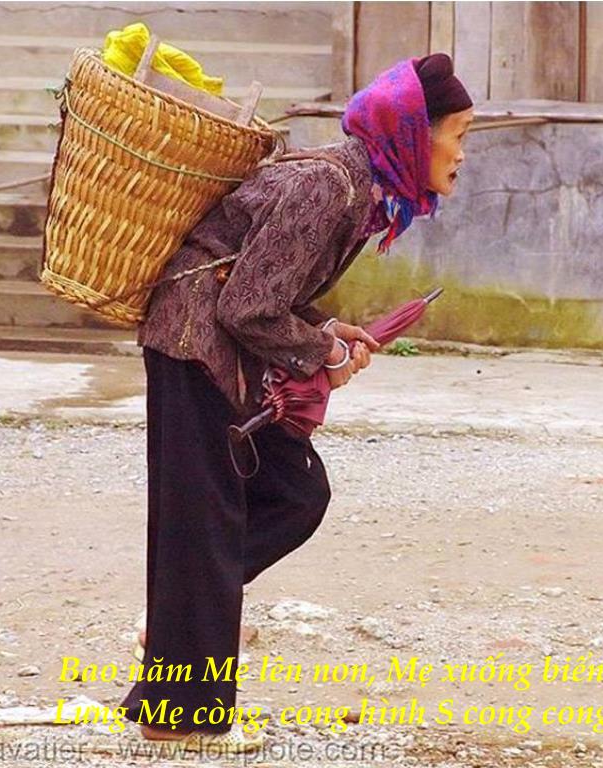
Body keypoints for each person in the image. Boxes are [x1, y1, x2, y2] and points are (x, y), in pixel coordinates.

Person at [118, 52, 474, 753]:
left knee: (293, 494)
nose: (462, 154)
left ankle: (178, 620)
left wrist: (325, 329)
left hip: (215, 347)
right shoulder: (327, 187)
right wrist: (323, 352)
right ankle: (179, 715)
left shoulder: (358, 191)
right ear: (413, 134)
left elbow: (268, 287)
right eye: (457, 134)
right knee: (206, 521)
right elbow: (247, 308)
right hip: (193, 346)